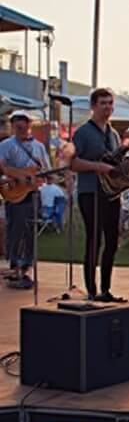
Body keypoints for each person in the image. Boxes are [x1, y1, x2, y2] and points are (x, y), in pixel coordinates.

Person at [70, 88, 122, 301]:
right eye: (103, 103)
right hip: (90, 192)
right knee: (94, 240)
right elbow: (72, 162)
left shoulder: (114, 134)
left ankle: (106, 289)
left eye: (110, 103)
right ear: (93, 106)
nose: (108, 107)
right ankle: (91, 290)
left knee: (112, 241)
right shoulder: (83, 133)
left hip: (112, 193)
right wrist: (97, 166)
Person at [0, 110, 50, 289]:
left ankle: (27, 266)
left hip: (33, 193)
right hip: (14, 193)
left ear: (29, 126)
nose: (22, 129)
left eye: (25, 125)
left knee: (30, 229)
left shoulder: (39, 147)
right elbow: (2, 167)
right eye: (18, 126)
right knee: (16, 229)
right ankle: (15, 265)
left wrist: (42, 179)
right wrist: (19, 176)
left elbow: (45, 170)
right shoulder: (6, 145)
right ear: (13, 126)